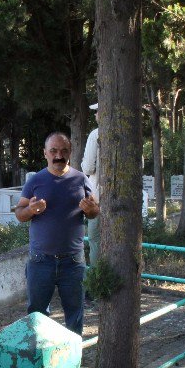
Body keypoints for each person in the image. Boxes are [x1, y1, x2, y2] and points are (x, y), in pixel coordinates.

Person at [15, 132, 99, 335]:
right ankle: (37, 359)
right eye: (53, 151)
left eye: (64, 151)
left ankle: (72, 361)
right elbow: (19, 213)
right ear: (45, 153)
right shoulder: (36, 180)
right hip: (40, 261)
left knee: (75, 315)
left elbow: (95, 211)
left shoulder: (81, 179)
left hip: (73, 262)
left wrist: (90, 209)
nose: (58, 155)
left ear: (70, 153)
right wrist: (31, 210)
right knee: (37, 316)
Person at [81, 103, 100, 266]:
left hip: (99, 199)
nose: (95, 115)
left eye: (97, 112)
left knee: (95, 242)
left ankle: (97, 281)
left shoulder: (96, 135)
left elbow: (88, 167)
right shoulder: (130, 132)